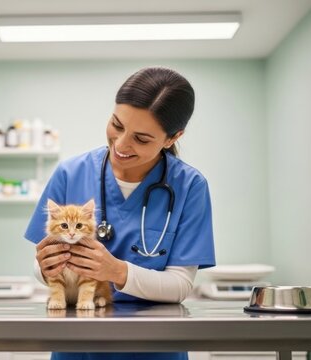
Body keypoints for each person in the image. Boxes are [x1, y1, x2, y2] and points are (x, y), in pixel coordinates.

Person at [24, 66, 216, 360]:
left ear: (172, 138)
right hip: (78, 346)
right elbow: (42, 268)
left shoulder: (190, 186)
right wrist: (45, 266)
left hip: (154, 347)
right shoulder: (70, 173)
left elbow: (180, 285)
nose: (121, 144)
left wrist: (115, 271)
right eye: (117, 124)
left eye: (141, 139)